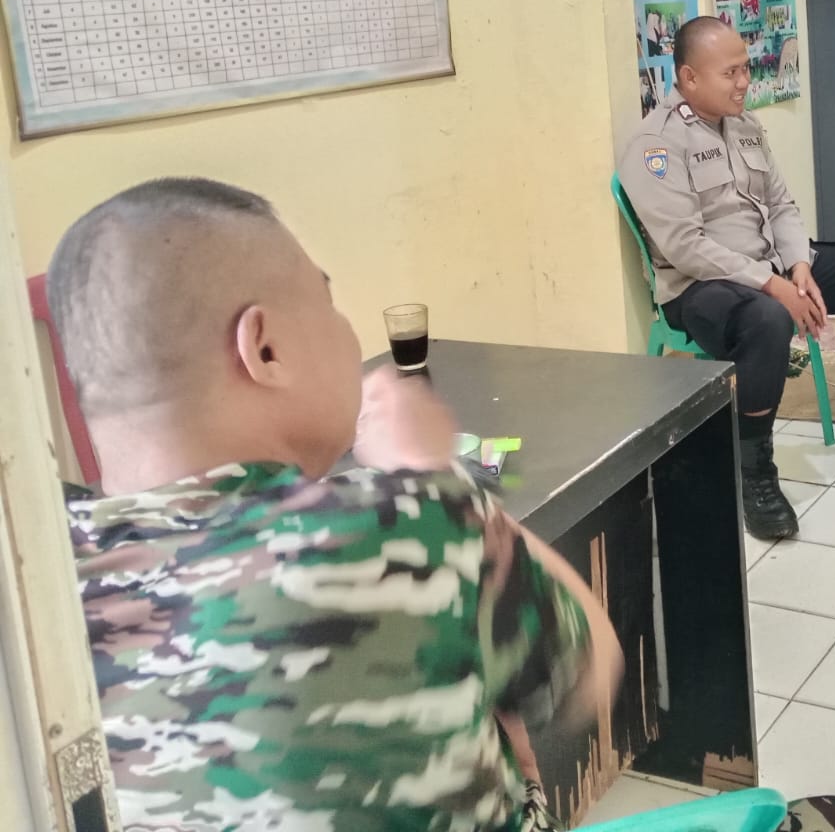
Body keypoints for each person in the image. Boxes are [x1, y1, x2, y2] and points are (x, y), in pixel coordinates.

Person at [55, 177, 624, 830]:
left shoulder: (43, 592)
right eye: (328, 304)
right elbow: (590, 668)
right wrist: (432, 474)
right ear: (265, 348)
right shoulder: (400, 525)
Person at [619, 17, 835, 540]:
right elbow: (685, 248)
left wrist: (799, 266)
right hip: (699, 288)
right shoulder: (656, 145)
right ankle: (755, 471)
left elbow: (782, 205)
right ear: (689, 77)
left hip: (767, 268)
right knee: (768, 320)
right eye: (730, 73)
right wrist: (773, 285)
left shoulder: (745, 125)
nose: (744, 82)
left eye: (745, 69)